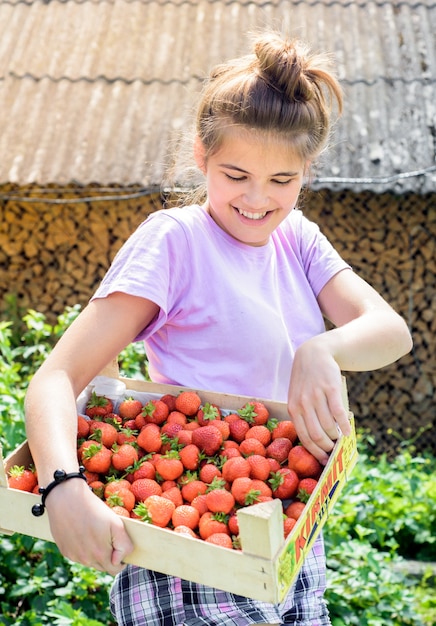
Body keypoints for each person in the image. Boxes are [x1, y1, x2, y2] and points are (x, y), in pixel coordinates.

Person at [25, 30, 412, 626]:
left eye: (282, 181)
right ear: (202, 158)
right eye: (236, 175)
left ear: (306, 171)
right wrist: (63, 487)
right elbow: (55, 378)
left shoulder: (299, 238)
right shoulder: (174, 242)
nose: (258, 199)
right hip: (189, 543)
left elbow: (392, 331)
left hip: (291, 527)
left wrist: (320, 349)